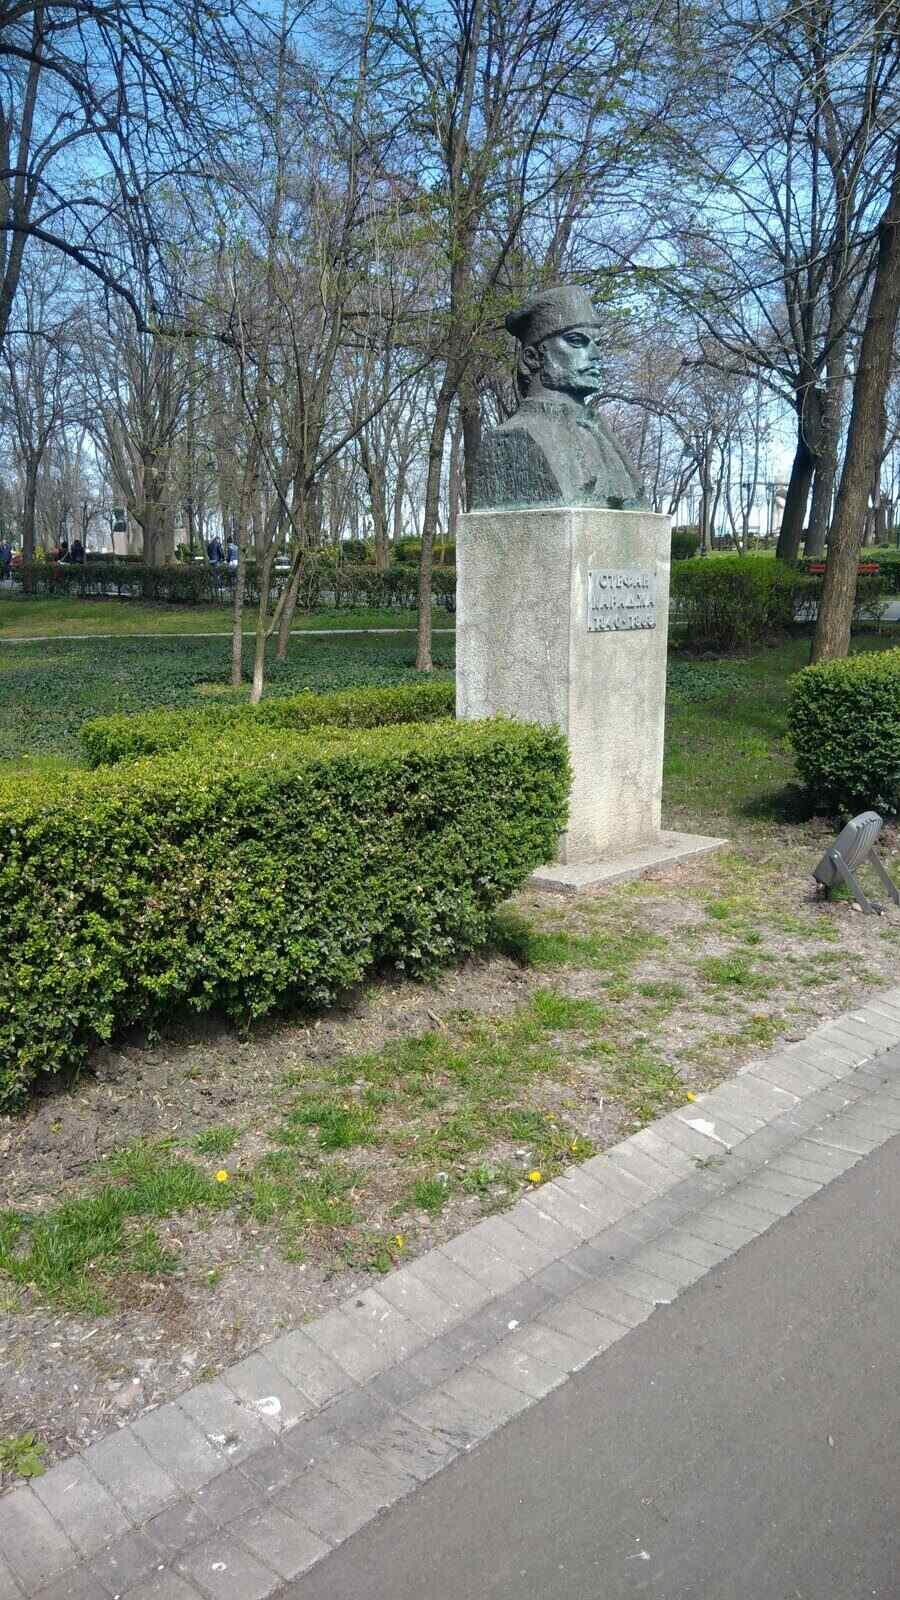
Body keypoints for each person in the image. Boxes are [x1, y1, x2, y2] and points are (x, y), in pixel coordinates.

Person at [472, 285, 646, 512]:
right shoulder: (516, 437)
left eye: (598, 344)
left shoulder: (598, 429)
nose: (596, 355)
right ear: (532, 358)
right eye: (576, 341)